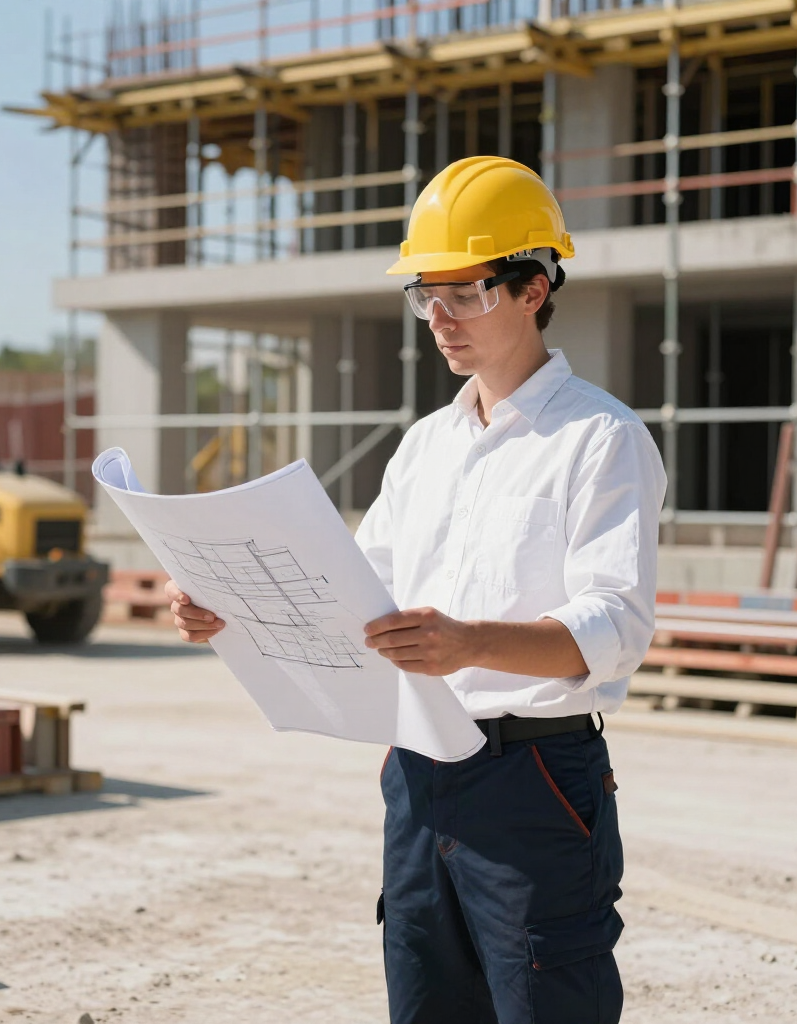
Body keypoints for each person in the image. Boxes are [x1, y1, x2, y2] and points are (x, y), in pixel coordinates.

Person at [165, 155, 666, 1024]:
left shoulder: (600, 439)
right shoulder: (426, 447)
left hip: (537, 776)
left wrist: (470, 643)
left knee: (546, 999)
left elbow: (614, 626)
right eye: (424, 295)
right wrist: (229, 609)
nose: (438, 318)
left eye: (463, 293)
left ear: (534, 287)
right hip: (418, 773)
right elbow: (356, 595)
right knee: (426, 999)